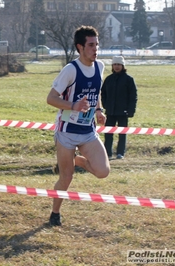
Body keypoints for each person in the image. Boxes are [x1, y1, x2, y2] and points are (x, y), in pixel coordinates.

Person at [46, 25, 110, 226]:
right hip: (67, 131)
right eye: (91, 45)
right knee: (66, 178)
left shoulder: (100, 67)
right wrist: (74, 105)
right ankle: (55, 213)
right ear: (80, 47)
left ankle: (78, 160)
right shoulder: (70, 70)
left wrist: (98, 111)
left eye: (97, 44)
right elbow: (51, 98)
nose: (95, 49)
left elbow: (95, 93)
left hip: (88, 130)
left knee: (103, 171)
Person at [101, 56, 137, 159]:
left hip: (123, 112)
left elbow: (133, 96)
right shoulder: (108, 79)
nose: (117, 67)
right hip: (110, 112)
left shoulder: (129, 80)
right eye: (115, 64)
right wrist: (105, 105)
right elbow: (103, 94)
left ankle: (120, 152)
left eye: (119, 65)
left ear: (123, 66)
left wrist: (131, 110)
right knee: (108, 133)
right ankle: (107, 153)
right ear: (112, 66)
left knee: (122, 133)